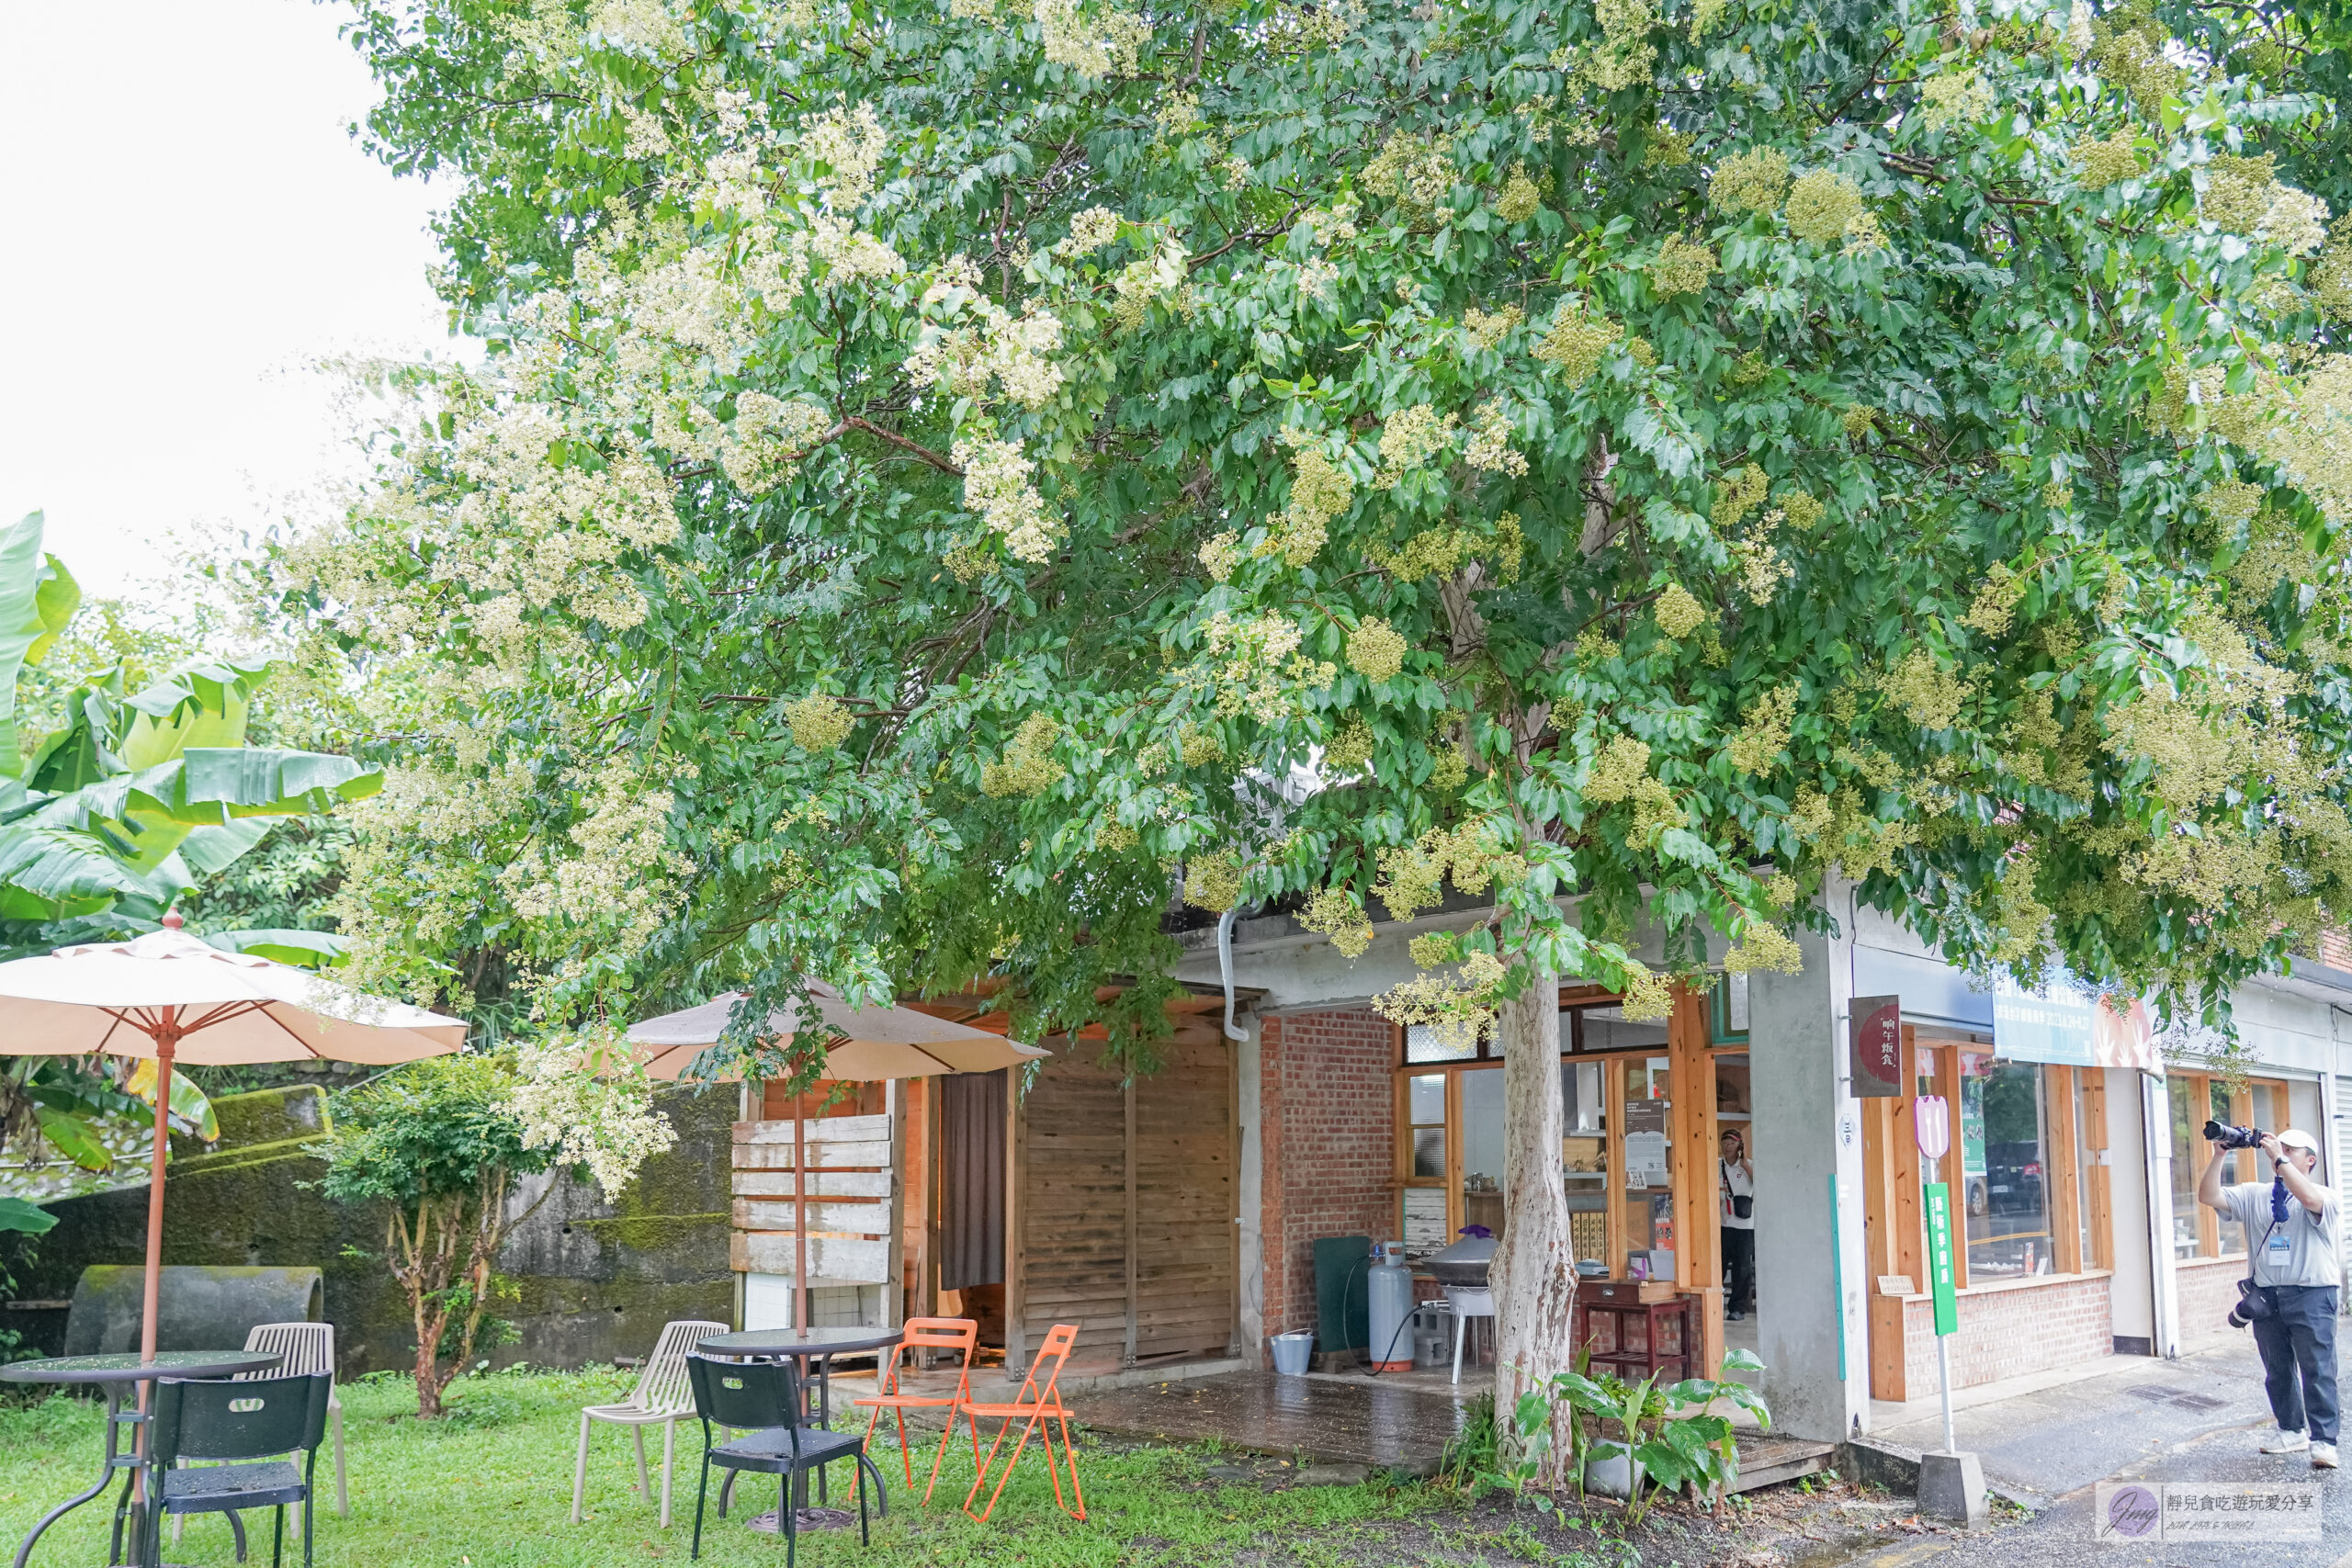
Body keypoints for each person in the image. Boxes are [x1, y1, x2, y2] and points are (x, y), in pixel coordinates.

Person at [2199, 1125, 2341, 1468]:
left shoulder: (2324, 1195)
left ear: (2310, 1160)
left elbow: (2308, 1201)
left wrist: (2278, 1157)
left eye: (2290, 1150)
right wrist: (2220, 1155)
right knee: (2277, 1369)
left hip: (2312, 1292)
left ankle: (2324, 1441)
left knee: (2317, 1368)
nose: (2280, 1152)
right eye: (2280, 1147)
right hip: (2268, 1295)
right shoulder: (2254, 1193)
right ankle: (2291, 1430)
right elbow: (2208, 1196)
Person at [1720, 1128, 1756, 1321]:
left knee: (1742, 1269)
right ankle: (1716, 1303)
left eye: (1732, 1142)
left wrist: (1746, 1167)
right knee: (1719, 1266)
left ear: (1740, 1145)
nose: (1728, 1146)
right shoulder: (1718, 1165)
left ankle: (1737, 1309)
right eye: (1725, 1142)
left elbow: (1763, 1184)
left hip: (1745, 1227)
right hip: (1723, 1223)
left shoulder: (1749, 1165)